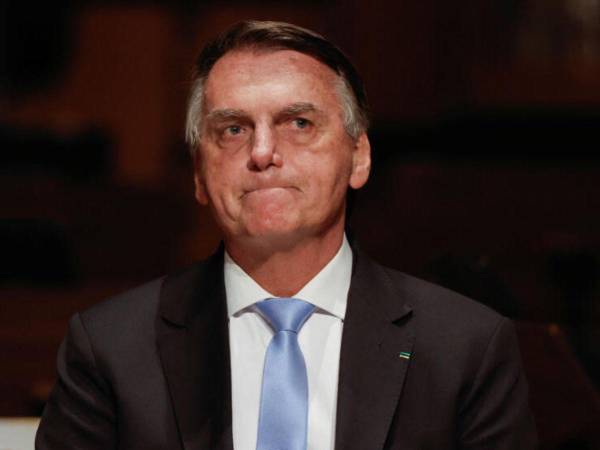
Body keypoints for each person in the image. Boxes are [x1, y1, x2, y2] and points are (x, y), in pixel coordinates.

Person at [36, 20, 537, 450]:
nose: (262, 152)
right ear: (199, 175)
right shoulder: (110, 348)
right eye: (233, 129)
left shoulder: (464, 347)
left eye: (298, 123)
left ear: (359, 157)